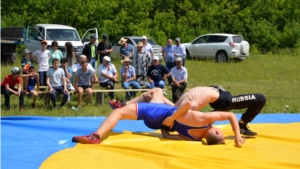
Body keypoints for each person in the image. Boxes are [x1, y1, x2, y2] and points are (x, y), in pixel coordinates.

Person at [72, 88, 245, 146]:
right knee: (154, 92)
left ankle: (96, 136)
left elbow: (187, 106)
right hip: (156, 122)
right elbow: (166, 134)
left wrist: (237, 135)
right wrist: (167, 124)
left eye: (221, 133)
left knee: (118, 113)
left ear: (215, 131)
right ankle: (124, 104)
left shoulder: (204, 120)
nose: (221, 131)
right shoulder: (191, 138)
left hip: (157, 112)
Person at [163, 86, 267, 136]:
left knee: (207, 118)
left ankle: (241, 125)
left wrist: (168, 122)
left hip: (218, 98)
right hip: (223, 100)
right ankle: (242, 124)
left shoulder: (175, 107)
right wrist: (171, 119)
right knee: (261, 99)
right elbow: (188, 105)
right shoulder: (185, 109)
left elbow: (162, 98)